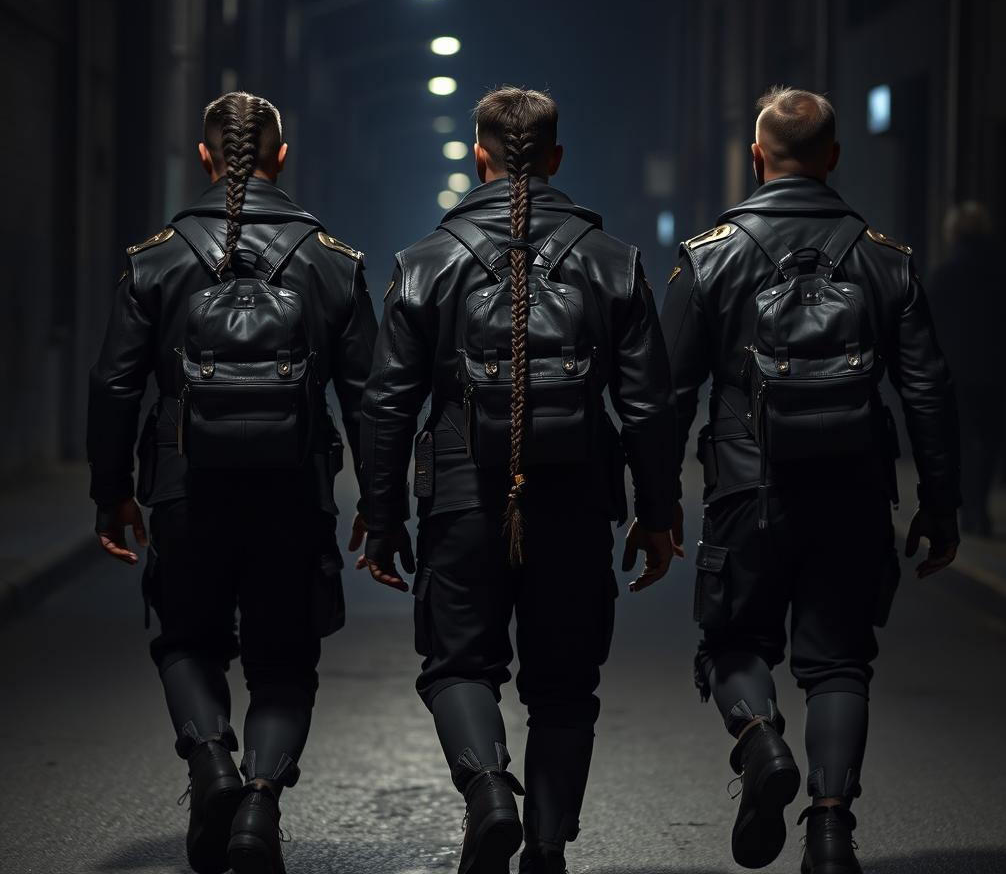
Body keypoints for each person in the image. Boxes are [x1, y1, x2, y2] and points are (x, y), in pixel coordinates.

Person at [356, 86, 679, 874]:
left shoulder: (425, 262)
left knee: (460, 664)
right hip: (575, 499)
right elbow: (648, 406)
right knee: (565, 684)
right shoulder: (616, 263)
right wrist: (657, 512)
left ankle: (490, 792)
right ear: (558, 158)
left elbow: (387, 403)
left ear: (480, 157)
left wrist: (383, 513)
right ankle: (544, 849)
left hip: (464, 496)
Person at [661, 87, 961, 873]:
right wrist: (941, 500)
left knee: (733, 641)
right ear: (833, 158)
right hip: (854, 491)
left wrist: (652, 503)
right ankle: (830, 831)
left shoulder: (709, 254)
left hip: (744, 490)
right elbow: (927, 387)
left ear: (758, 158)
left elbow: (664, 393)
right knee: (837, 662)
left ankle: (760, 741)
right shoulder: (885, 257)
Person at [87, 91, 377, 874]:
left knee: (186, 639)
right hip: (294, 489)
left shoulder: (156, 257)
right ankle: (257, 803)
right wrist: (380, 506)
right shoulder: (331, 259)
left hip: (185, 484)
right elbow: (367, 398)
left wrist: (110, 492)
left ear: (206, 157)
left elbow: (115, 384)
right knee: (284, 661)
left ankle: (211, 765)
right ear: (282, 157)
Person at [928, 201, 1006, 537]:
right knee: (990, 440)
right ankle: (980, 507)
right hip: (994, 372)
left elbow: (928, 329)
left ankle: (968, 509)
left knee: (962, 441)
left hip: (955, 373)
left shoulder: (943, 275)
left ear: (952, 234)